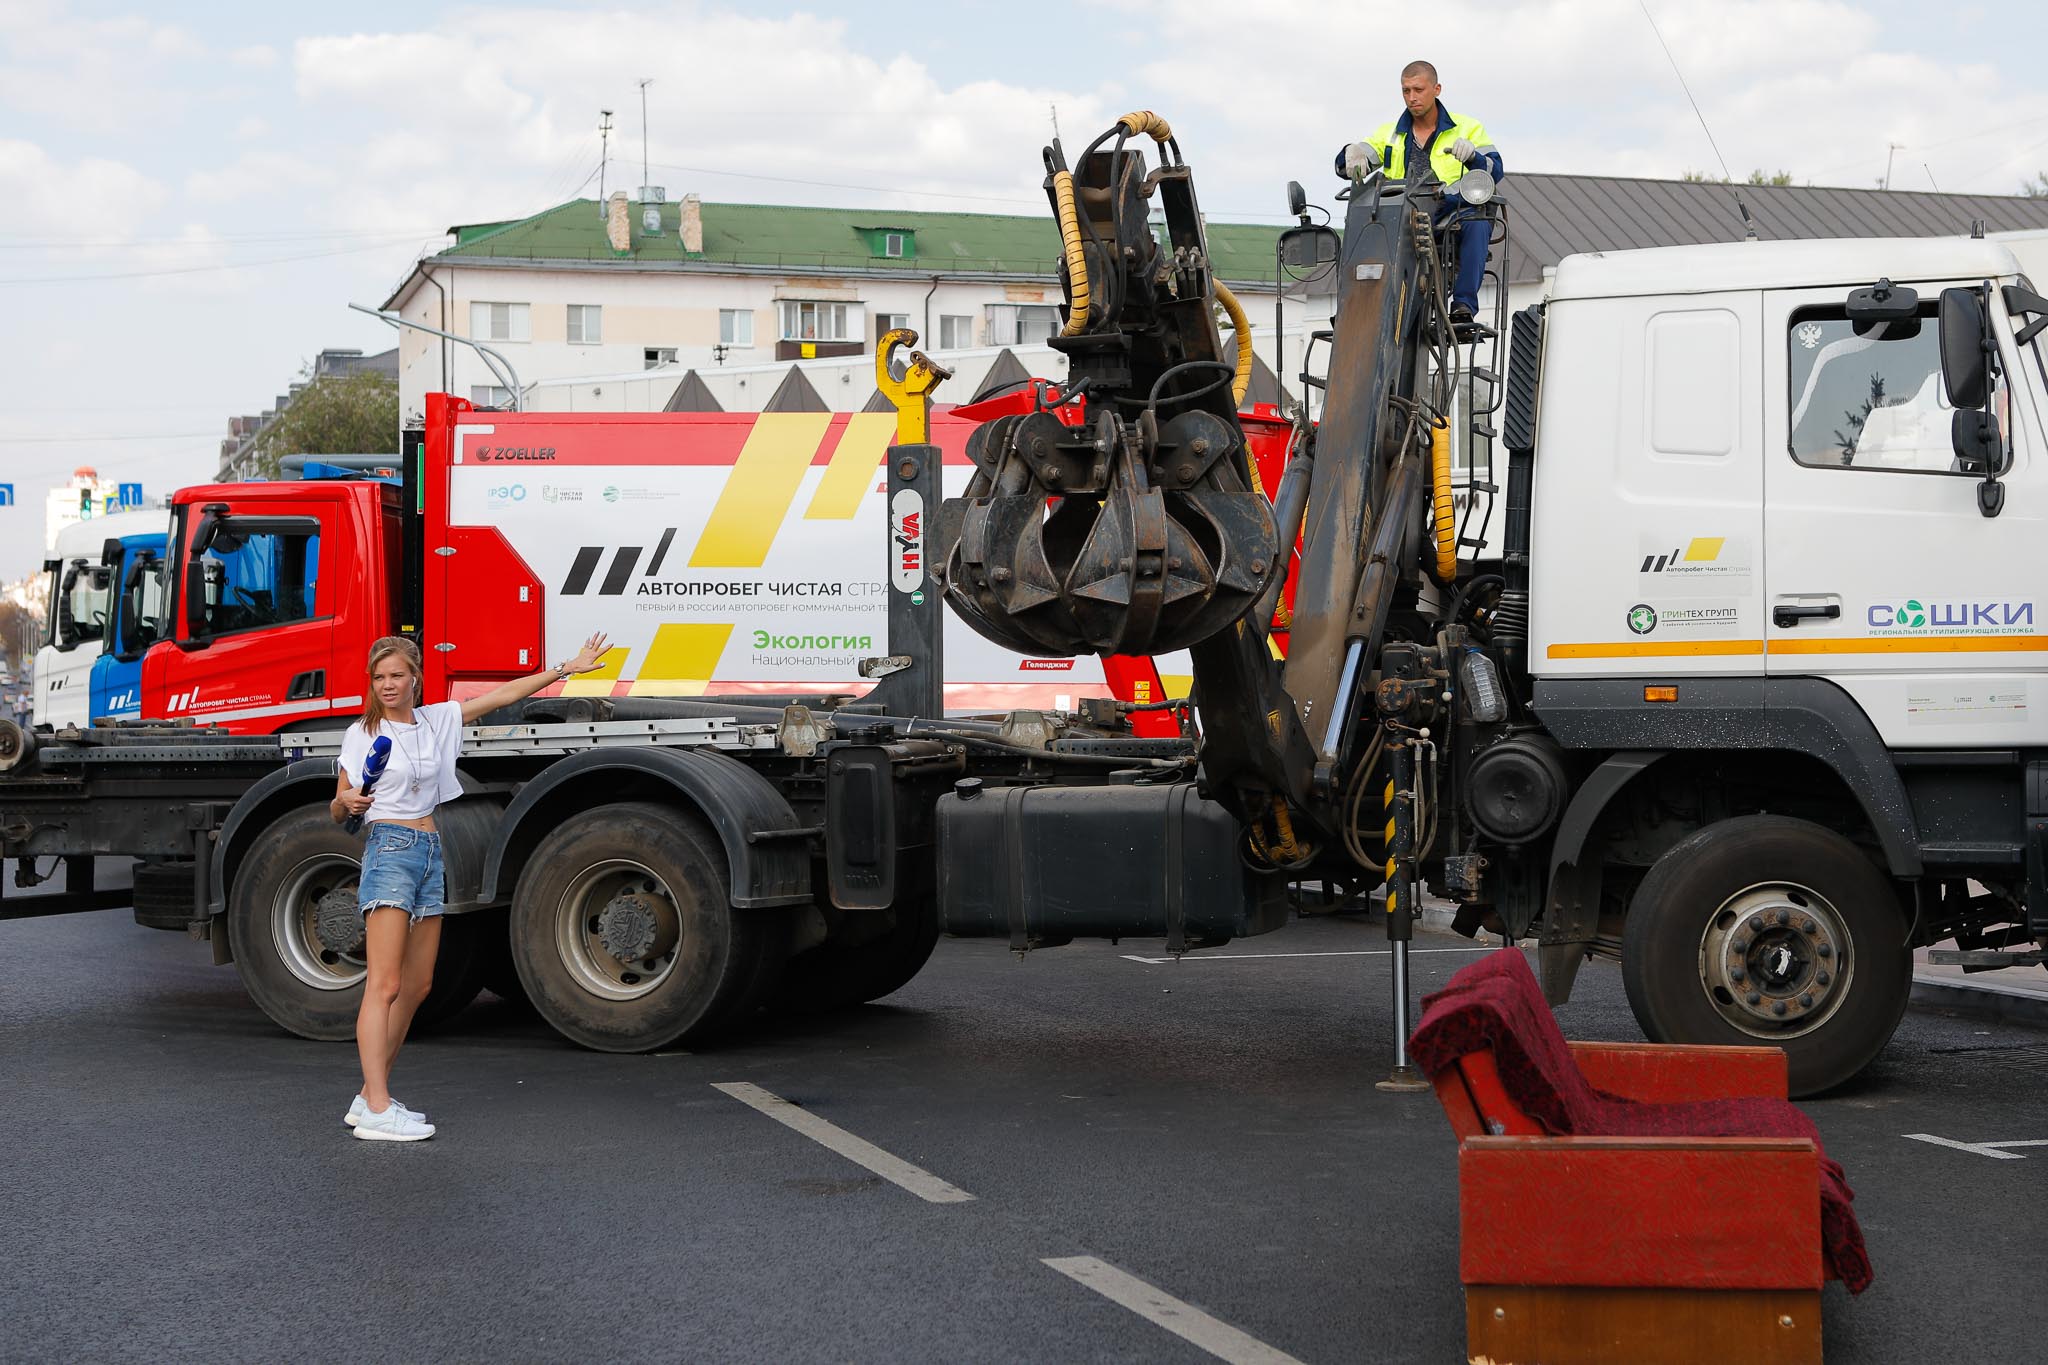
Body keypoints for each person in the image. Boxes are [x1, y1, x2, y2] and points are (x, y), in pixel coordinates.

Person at [333, 631, 609, 1141]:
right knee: (385, 984)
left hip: (432, 850)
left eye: (396, 675)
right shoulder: (362, 733)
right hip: (389, 851)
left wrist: (567, 668)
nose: (387, 685)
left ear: (415, 676)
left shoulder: (439, 719)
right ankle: (375, 1105)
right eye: (378, 678)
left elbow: (504, 695)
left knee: (417, 987)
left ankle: (372, 1096)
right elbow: (339, 803)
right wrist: (348, 803)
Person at [1335, 60, 1505, 331]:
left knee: (1477, 223)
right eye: (1406, 91)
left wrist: (1473, 156)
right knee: (1361, 225)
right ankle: (1353, 303)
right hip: (1402, 216)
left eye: (1418, 89)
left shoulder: (1467, 128)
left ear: (1436, 89)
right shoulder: (1390, 134)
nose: (1412, 98)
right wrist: (1351, 153)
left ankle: (1462, 306)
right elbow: (1355, 159)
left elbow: (1495, 170)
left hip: (1449, 214)